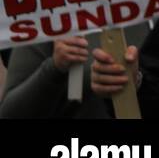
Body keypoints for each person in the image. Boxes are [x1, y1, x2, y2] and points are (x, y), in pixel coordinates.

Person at [0, 28, 146, 119]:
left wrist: (138, 83)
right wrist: (55, 67)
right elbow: (10, 114)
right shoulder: (48, 21)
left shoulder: (158, 4)